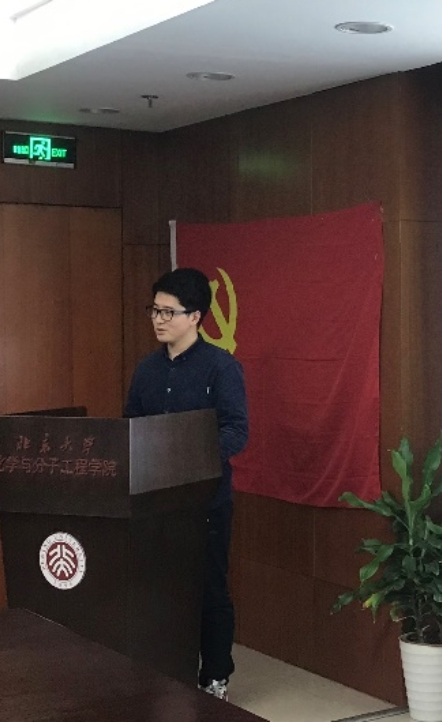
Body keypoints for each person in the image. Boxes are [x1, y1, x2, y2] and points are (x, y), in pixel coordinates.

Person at [124, 268, 249, 701]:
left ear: (195, 316)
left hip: (205, 502)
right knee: (158, 589)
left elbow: (237, 431)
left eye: (168, 312)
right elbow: (131, 426)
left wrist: (190, 462)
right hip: (154, 503)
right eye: (154, 310)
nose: (158, 320)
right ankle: (166, 670)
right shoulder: (146, 370)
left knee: (208, 588)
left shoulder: (221, 367)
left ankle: (215, 677)